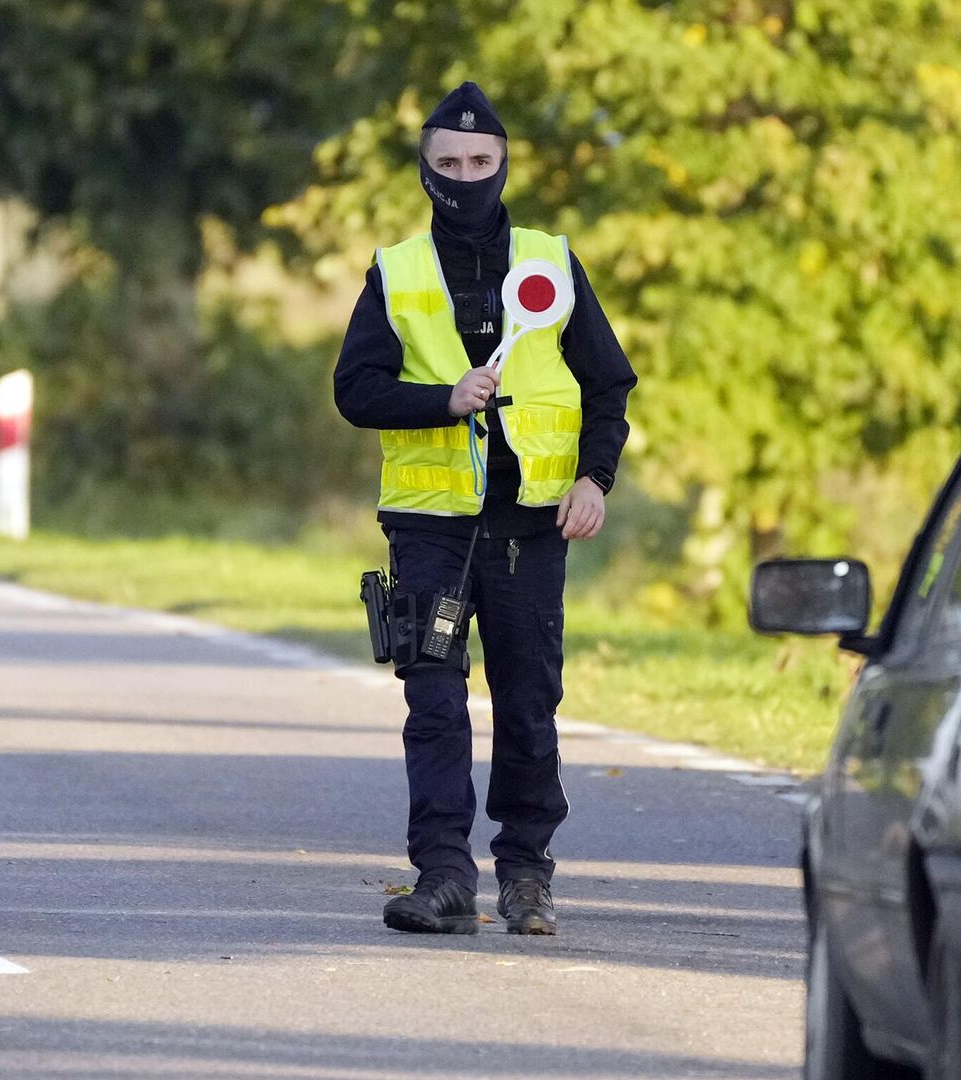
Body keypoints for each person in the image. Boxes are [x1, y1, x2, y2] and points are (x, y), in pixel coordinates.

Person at [334, 82, 636, 936]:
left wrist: (594, 479)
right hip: (430, 524)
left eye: (481, 162)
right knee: (433, 700)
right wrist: (443, 399)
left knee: (528, 699)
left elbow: (608, 383)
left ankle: (528, 873)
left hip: (530, 525)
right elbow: (355, 391)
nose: (466, 177)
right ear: (425, 172)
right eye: (449, 164)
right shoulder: (396, 270)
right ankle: (441, 876)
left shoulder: (549, 261)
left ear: (504, 165)